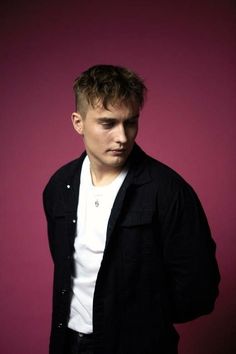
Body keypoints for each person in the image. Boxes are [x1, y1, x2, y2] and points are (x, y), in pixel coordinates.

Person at [43, 64, 220, 354]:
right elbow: (67, 270)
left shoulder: (167, 190)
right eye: (108, 123)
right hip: (68, 344)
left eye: (131, 122)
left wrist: (146, 321)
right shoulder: (59, 187)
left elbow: (200, 288)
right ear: (78, 122)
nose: (123, 137)